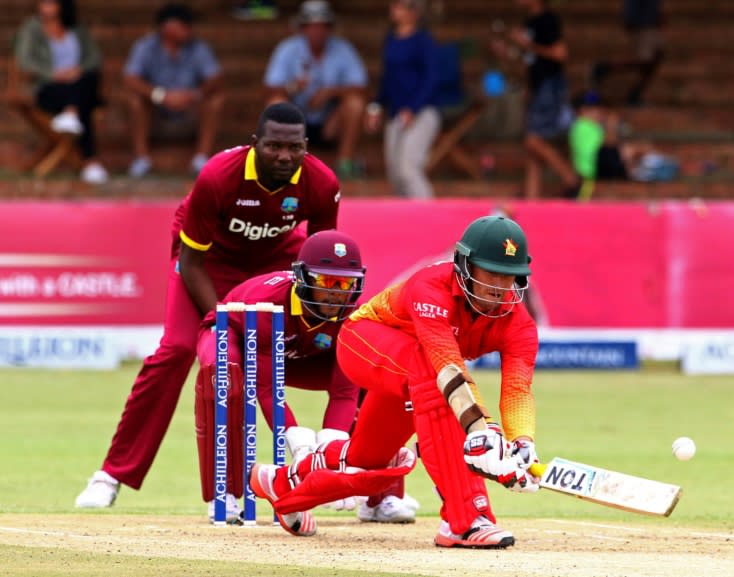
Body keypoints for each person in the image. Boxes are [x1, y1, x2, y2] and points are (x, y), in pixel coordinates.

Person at [74, 102, 341, 509]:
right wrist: (225, 321)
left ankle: (366, 486)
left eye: (294, 148)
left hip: (273, 262)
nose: (284, 156)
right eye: (273, 147)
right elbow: (191, 260)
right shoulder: (219, 176)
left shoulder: (321, 183)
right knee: (178, 350)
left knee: (349, 352)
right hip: (207, 262)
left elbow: (321, 262)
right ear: (255, 145)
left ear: (306, 146)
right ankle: (111, 474)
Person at [250, 215, 541, 548]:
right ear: (465, 266)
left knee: (368, 466)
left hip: (417, 375)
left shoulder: (519, 325)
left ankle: (282, 484)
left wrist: (521, 445)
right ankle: (464, 520)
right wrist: (483, 431)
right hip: (363, 344)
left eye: (510, 276)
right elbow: (445, 363)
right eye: (491, 272)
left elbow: (518, 390)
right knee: (435, 379)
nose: (500, 287)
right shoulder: (430, 287)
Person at [195, 229, 366, 526]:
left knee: (373, 376)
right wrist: (297, 441)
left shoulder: (354, 317)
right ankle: (224, 492)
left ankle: (379, 497)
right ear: (304, 278)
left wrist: (333, 449)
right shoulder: (267, 305)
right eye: (328, 281)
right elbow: (265, 388)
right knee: (224, 377)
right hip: (236, 338)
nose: (338, 292)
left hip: (297, 355)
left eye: (346, 283)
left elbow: (344, 392)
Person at [263, 1, 368, 180]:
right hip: (296, 123)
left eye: (322, 26)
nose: (317, 31)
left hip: (330, 122)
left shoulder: (343, 49)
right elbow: (269, 88)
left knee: (355, 103)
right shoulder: (287, 50)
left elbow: (361, 88)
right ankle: (280, 162)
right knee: (276, 103)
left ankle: (345, 163)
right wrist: (293, 87)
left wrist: (330, 93)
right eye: (311, 26)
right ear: (302, 28)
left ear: (329, 28)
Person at [122, 2, 225, 177]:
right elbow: (130, 79)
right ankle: (142, 158)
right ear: (167, 27)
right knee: (135, 100)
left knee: (216, 99)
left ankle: (201, 158)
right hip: (156, 110)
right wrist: (160, 96)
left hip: (190, 109)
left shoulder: (198, 47)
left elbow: (216, 78)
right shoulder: (146, 46)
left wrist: (193, 95)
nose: (189, 30)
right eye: (185, 25)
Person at [13, 0, 108, 184]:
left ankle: (71, 114)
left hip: (79, 84)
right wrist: (53, 74)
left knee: (88, 80)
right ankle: (90, 162)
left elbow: (95, 58)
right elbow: (25, 61)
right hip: (48, 87)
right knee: (83, 103)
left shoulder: (77, 29)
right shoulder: (31, 29)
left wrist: (77, 70)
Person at [493, 0, 580, 199]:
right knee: (532, 151)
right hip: (537, 86)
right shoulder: (529, 22)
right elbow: (527, 60)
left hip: (550, 86)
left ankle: (571, 180)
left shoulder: (547, 20)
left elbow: (560, 54)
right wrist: (506, 53)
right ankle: (532, 200)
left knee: (533, 140)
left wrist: (527, 44)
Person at [365, 0, 441, 199]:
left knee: (409, 169)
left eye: (400, 5)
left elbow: (430, 79)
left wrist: (412, 109)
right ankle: (407, 221)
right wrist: (376, 106)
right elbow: (387, 80)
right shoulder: (391, 39)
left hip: (422, 113)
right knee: (395, 174)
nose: (394, 9)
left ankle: (429, 215)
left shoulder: (423, 41)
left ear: (414, 12)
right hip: (396, 114)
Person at [591, 0, 665, 107]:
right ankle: (604, 68)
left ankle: (634, 92)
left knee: (654, 59)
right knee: (646, 60)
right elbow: (631, 8)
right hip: (643, 26)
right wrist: (634, 22)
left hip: (650, 25)